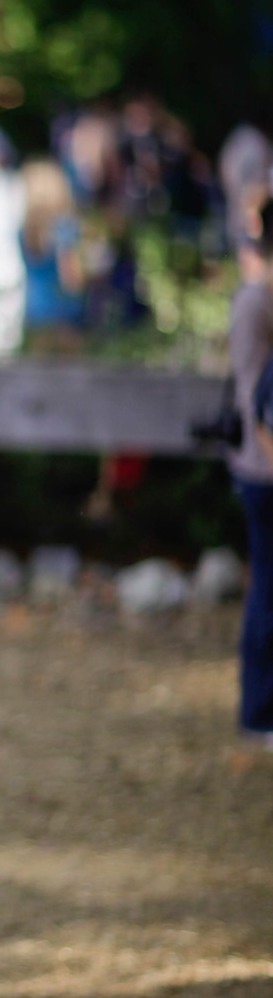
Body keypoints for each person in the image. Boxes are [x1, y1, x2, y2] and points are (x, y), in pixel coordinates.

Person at [229, 198, 273, 745]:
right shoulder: (256, 302)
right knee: (267, 590)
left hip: (259, 464)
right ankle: (259, 711)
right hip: (262, 470)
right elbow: (257, 403)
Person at [18, 158, 86, 351]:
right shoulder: (65, 227)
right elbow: (71, 277)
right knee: (69, 375)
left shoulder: (24, 230)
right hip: (64, 311)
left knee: (37, 374)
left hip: (35, 308)